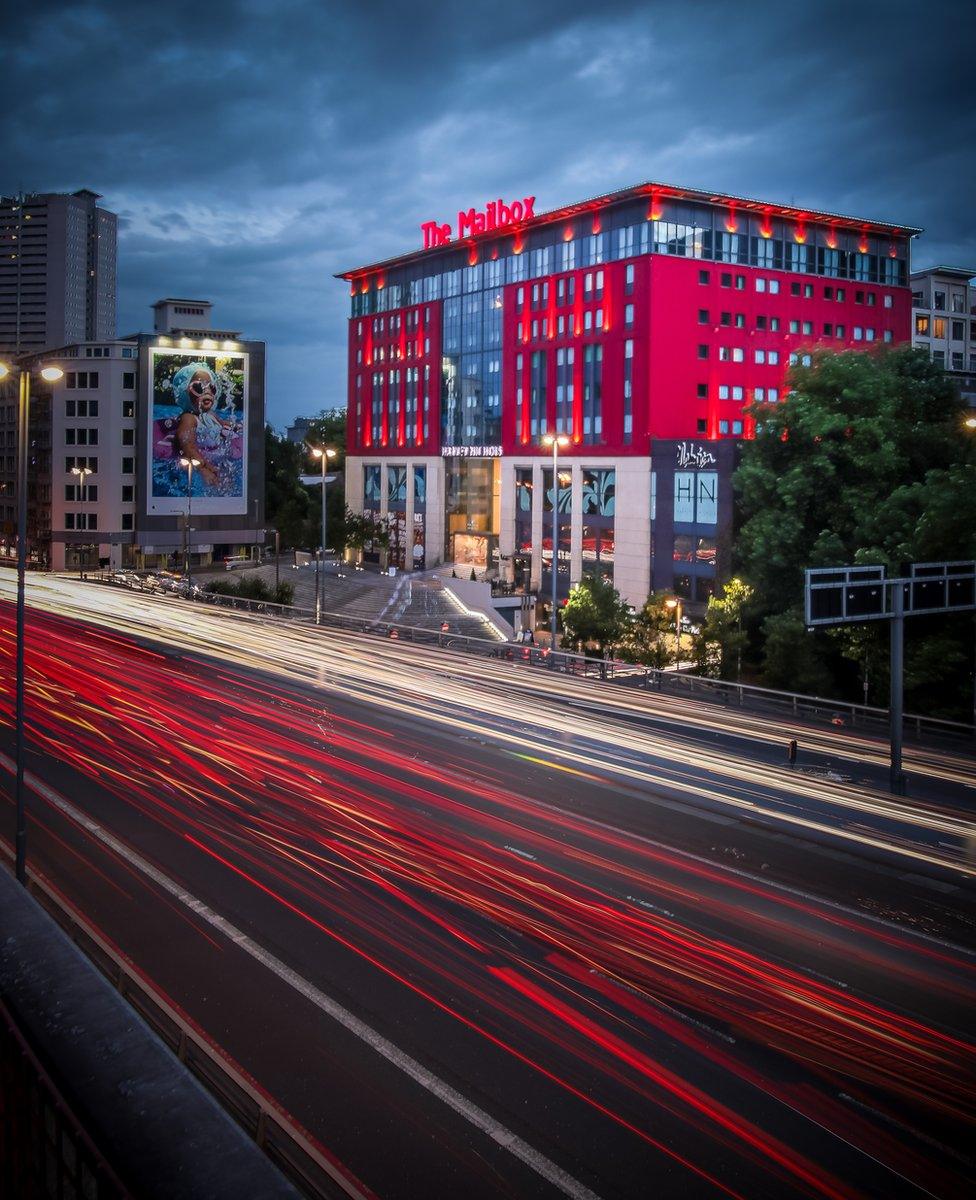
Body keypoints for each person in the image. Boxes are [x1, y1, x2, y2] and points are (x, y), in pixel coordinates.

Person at [172, 364, 230, 486]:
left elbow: (225, 424)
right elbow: (187, 445)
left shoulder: (211, 416)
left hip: (213, 459)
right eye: (199, 387)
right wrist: (204, 468)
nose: (206, 391)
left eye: (211, 388)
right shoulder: (188, 418)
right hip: (196, 464)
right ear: (186, 393)